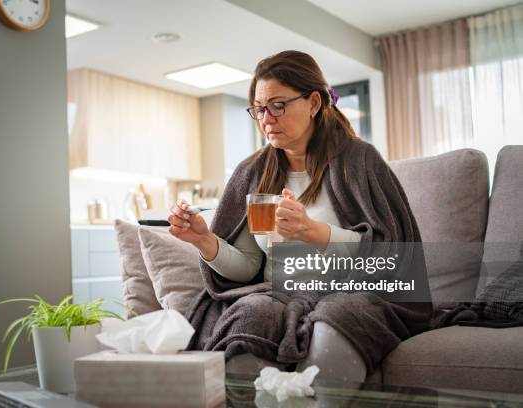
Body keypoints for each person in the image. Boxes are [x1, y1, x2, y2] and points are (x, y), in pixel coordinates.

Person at [168, 50, 431, 382]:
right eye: (260, 109)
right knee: (249, 317)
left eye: (278, 105)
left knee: (337, 320)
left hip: (353, 291)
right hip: (276, 292)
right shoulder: (252, 173)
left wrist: (312, 231)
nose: (267, 119)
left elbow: (392, 254)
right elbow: (248, 267)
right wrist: (205, 241)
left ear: (314, 103)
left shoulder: (359, 160)